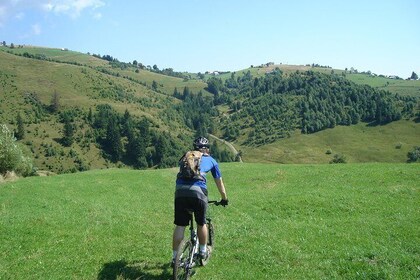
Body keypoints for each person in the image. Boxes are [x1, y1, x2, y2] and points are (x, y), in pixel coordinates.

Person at [172, 136, 228, 264]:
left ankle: (175, 258)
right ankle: (203, 251)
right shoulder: (211, 160)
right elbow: (219, 183)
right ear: (207, 149)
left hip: (180, 192)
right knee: (201, 223)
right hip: (198, 192)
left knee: (180, 225)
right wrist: (224, 198)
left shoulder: (187, 158)